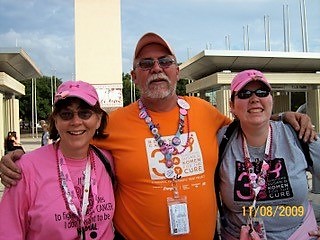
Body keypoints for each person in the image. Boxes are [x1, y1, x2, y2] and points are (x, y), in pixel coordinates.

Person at [0, 33, 317, 240]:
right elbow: (72, 137)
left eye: (165, 61)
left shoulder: (204, 111)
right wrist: (19, 159)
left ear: (178, 71)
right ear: (134, 75)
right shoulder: (112, 123)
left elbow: (247, 120)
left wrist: (283, 117)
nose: (157, 68)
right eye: (146, 63)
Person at [0, 80, 115, 240]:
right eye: (66, 114)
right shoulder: (24, 169)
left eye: (85, 113)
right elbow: (8, 232)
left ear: (98, 119)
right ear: (55, 120)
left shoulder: (109, 160)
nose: (76, 122)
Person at [216, 69, 320, 240]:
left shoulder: (299, 135)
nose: (255, 98)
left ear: (271, 99)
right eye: (244, 93)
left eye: (262, 92)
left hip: (299, 234)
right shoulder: (221, 140)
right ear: (232, 106)